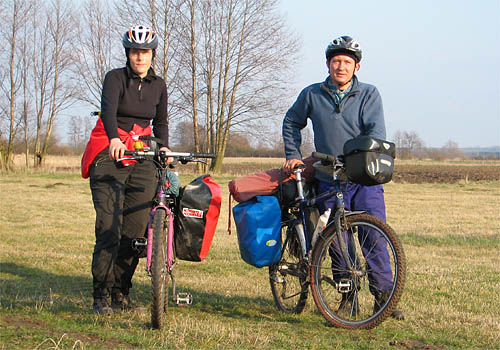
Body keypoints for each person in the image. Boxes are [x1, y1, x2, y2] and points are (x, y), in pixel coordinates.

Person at [282, 35, 404, 320]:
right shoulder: (312, 94)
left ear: (356, 67)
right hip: (329, 175)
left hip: (363, 176)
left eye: (347, 62)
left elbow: (375, 132)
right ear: (327, 64)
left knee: (373, 235)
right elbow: (291, 121)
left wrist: (357, 158)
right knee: (336, 240)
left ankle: (384, 297)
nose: (341, 66)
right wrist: (292, 152)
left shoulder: (369, 94)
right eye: (336, 61)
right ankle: (347, 296)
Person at [81, 25, 170, 315]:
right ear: (128, 53)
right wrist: (114, 139)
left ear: (152, 54)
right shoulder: (115, 78)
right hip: (110, 154)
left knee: (134, 234)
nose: (140, 57)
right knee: (109, 228)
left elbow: (161, 123)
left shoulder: (159, 85)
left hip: (142, 158)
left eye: (145, 52)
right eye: (135, 52)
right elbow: (107, 112)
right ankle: (101, 295)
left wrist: (164, 148)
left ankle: (121, 291)